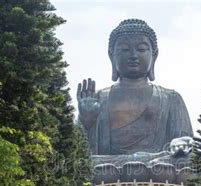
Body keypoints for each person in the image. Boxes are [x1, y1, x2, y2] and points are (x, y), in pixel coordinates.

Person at [77, 19, 193, 157]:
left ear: (154, 55)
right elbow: (76, 149)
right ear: (111, 56)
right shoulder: (99, 99)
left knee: (188, 162)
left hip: (159, 165)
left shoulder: (171, 98)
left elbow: (186, 143)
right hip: (108, 167)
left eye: (141, 49)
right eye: (124, 50)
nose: (133, 55)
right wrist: (86, 120)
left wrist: (181, 144)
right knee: (80, 166)